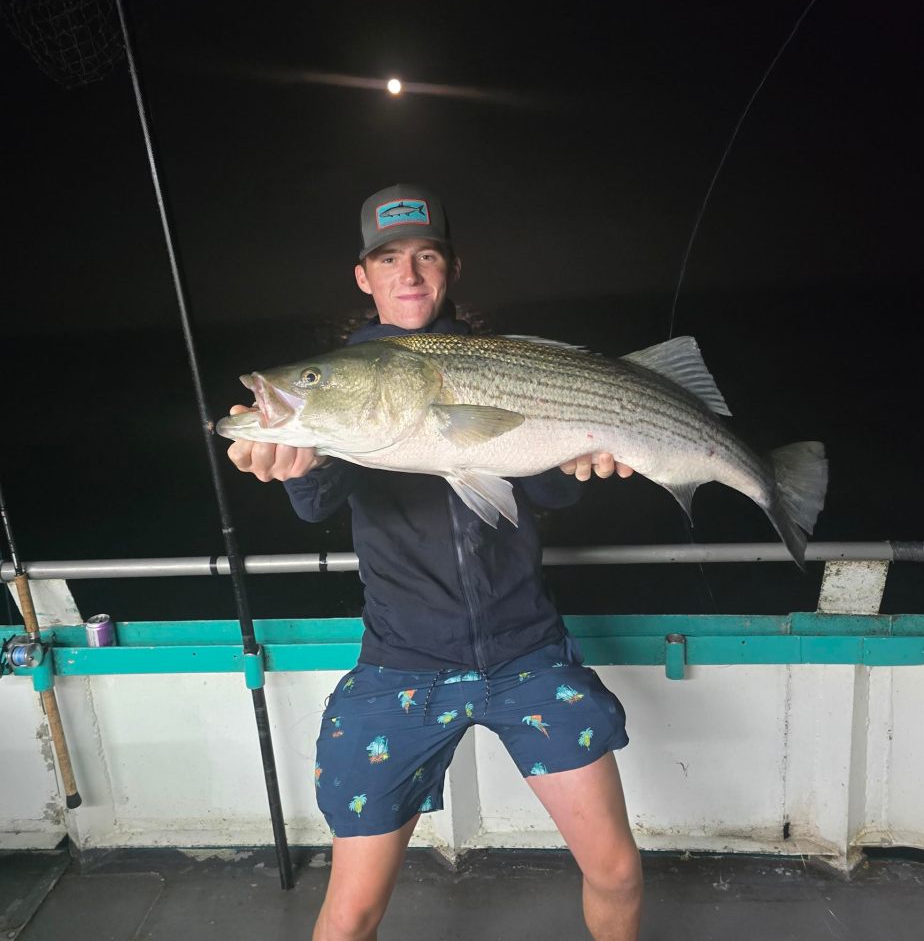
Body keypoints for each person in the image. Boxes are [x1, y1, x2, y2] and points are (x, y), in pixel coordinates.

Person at [226, 183, 643, 941]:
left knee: (617, 870)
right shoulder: (351, 382)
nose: (408, 273)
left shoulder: (497, 361)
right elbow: (317, 502)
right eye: (389, 259)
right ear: (365, 276)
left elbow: (546, 486)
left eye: (424, 255)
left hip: (527, 652)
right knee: (350, 912)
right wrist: (291, 456)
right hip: (401, 664)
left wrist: (586, 460)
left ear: (451, 266)